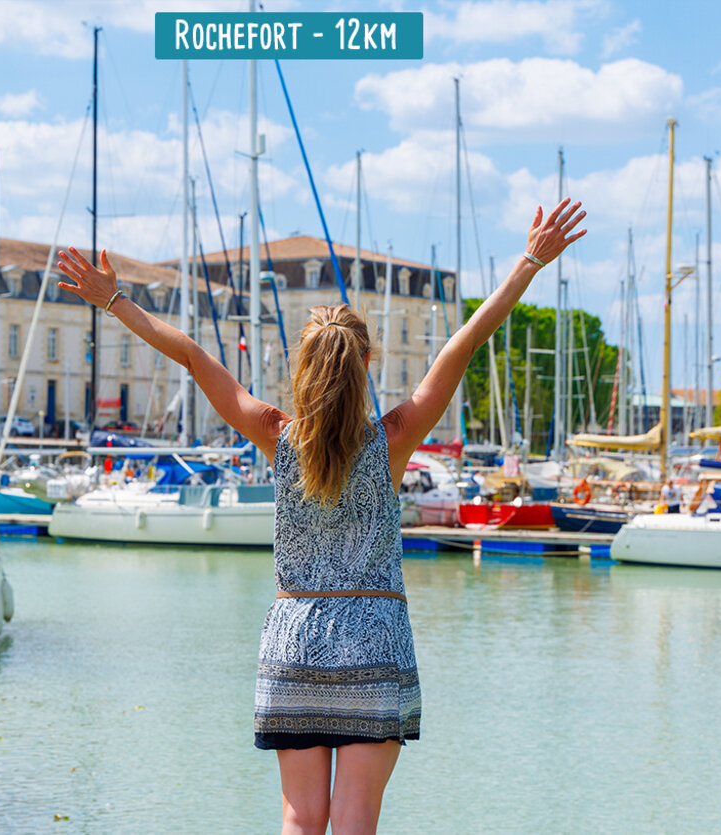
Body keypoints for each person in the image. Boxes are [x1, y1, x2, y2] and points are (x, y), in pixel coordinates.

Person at [56, 198, 586, 834]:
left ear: (301, 368)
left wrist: (116, 302)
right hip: (373, 635)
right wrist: (529, 262)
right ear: (366, 366)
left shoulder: (275, 433)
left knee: (301, 819)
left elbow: (195, 357)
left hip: (295, 640)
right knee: (356, 819)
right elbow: (467, 339)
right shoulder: (395, 436)